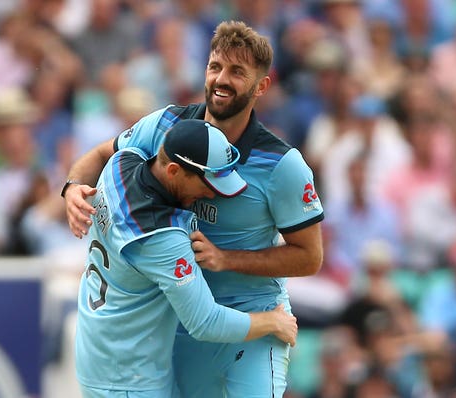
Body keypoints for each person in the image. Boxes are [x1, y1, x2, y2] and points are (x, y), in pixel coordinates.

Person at [63, 20, 324, 397]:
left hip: (252, 319)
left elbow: (310, 258)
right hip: (186, 323)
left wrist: (226, 259)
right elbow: (105, 153)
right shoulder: (167, 123)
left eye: (238, 72)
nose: (221, 79)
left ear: (261, 86)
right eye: (215, 66)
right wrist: (72, 187)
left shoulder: (284, 165)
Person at [75, 119, 298, 397]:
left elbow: (105, 155)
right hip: (129, 381)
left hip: (100, 353)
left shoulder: (121, 163)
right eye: (207, 182)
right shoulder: (160, 236)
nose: (212, 193)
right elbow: (205, 322)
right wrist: (273, 322)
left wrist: (71, 185)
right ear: (173, 171)